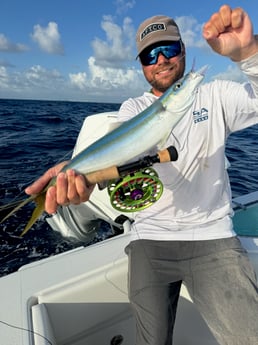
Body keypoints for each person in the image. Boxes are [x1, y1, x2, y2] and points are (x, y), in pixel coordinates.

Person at [26, 4, 258, 345]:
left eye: (169, 49)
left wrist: (250, 53)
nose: (161, 59)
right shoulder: (133, 109)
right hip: (149, 238)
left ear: (183, 50)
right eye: (150, 55)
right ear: (141, 65)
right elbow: (120, 159)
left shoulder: (215, 94)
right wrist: (81, 176)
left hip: (213, 237)